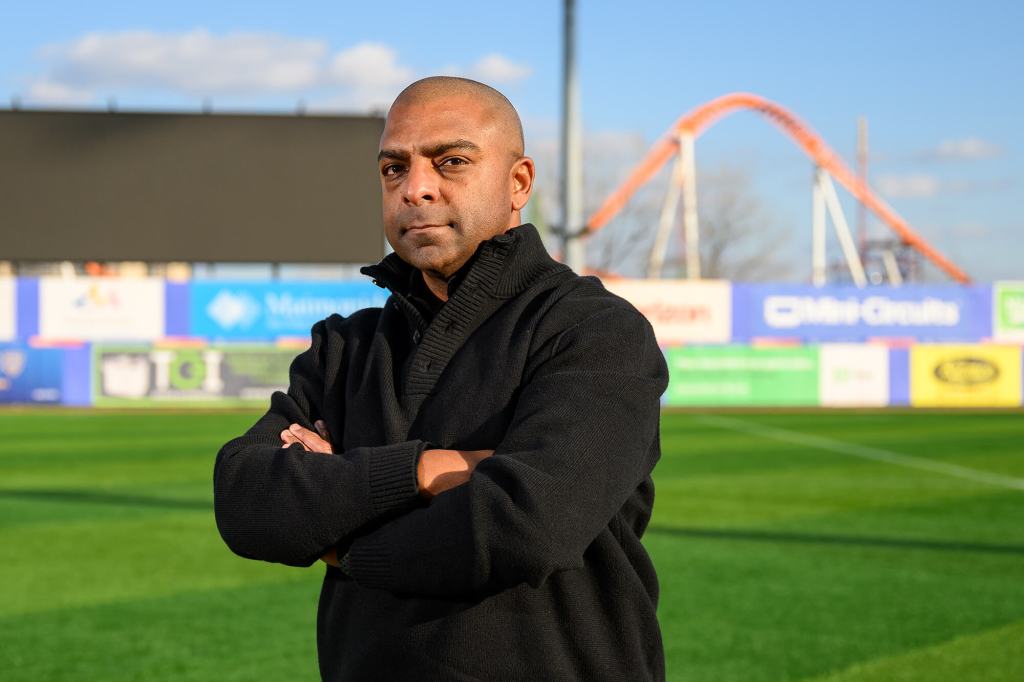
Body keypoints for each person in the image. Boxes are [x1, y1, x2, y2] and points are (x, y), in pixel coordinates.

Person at [213, 76, 669, 681]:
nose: (415, 188)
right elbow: (247, 499)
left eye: (451, 162)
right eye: (393, 169)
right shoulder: (345, 346)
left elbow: (525, 524)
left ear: (519, 182)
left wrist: (344, 544)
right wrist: (423, 471)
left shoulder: (593, 330)